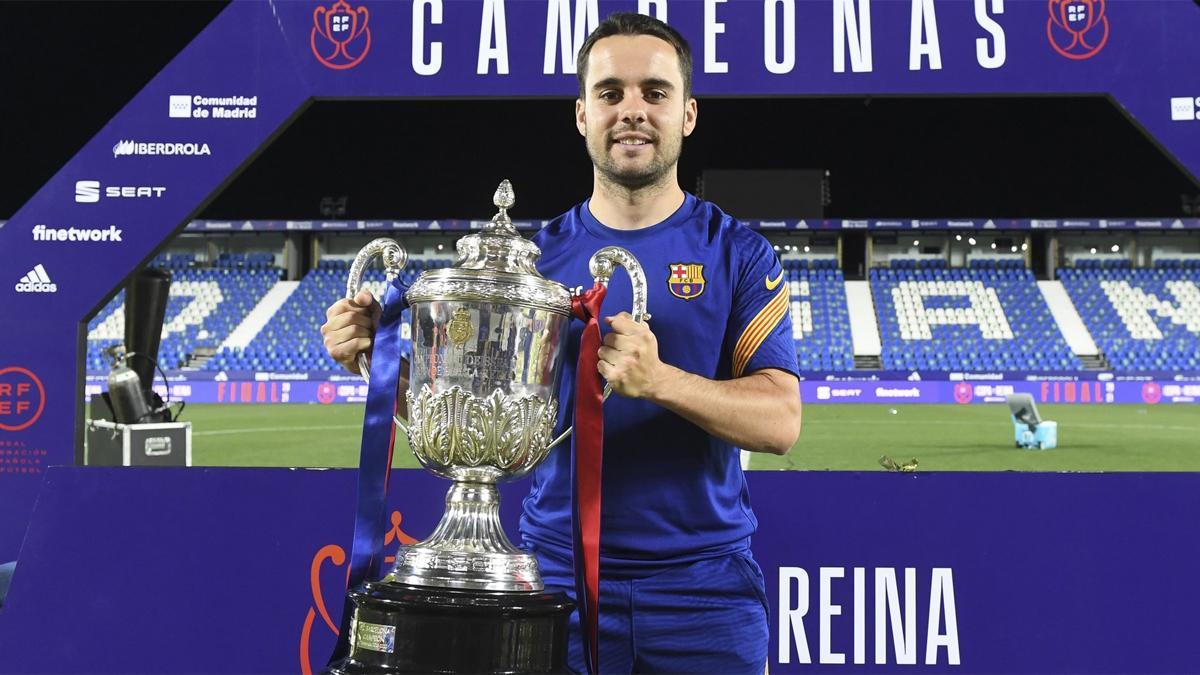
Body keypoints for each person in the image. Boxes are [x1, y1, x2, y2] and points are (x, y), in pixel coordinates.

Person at [321, 12, 801, 673]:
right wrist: (375, 363)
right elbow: (476, 422)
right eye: (610, 93)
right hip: (553, 581)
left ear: (688, 114)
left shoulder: (739, 253)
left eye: (654, 93)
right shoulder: (529, 264)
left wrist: (659, 378)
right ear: (582, 115)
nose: (631, 111)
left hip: (705, 591)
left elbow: (780, 420)